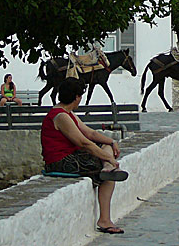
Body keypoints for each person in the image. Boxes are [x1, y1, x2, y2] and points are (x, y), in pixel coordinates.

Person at [41, 78, 128, 235]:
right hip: (61, 161)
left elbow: (90, 133)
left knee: (106, 149)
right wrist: (109, 158)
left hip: (72, 155)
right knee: (109, 176)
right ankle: (104, 220)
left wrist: (111, 141)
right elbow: (83, 142)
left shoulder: (68, 113)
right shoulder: (60, 116)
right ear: (76, 97)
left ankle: (107, 168)